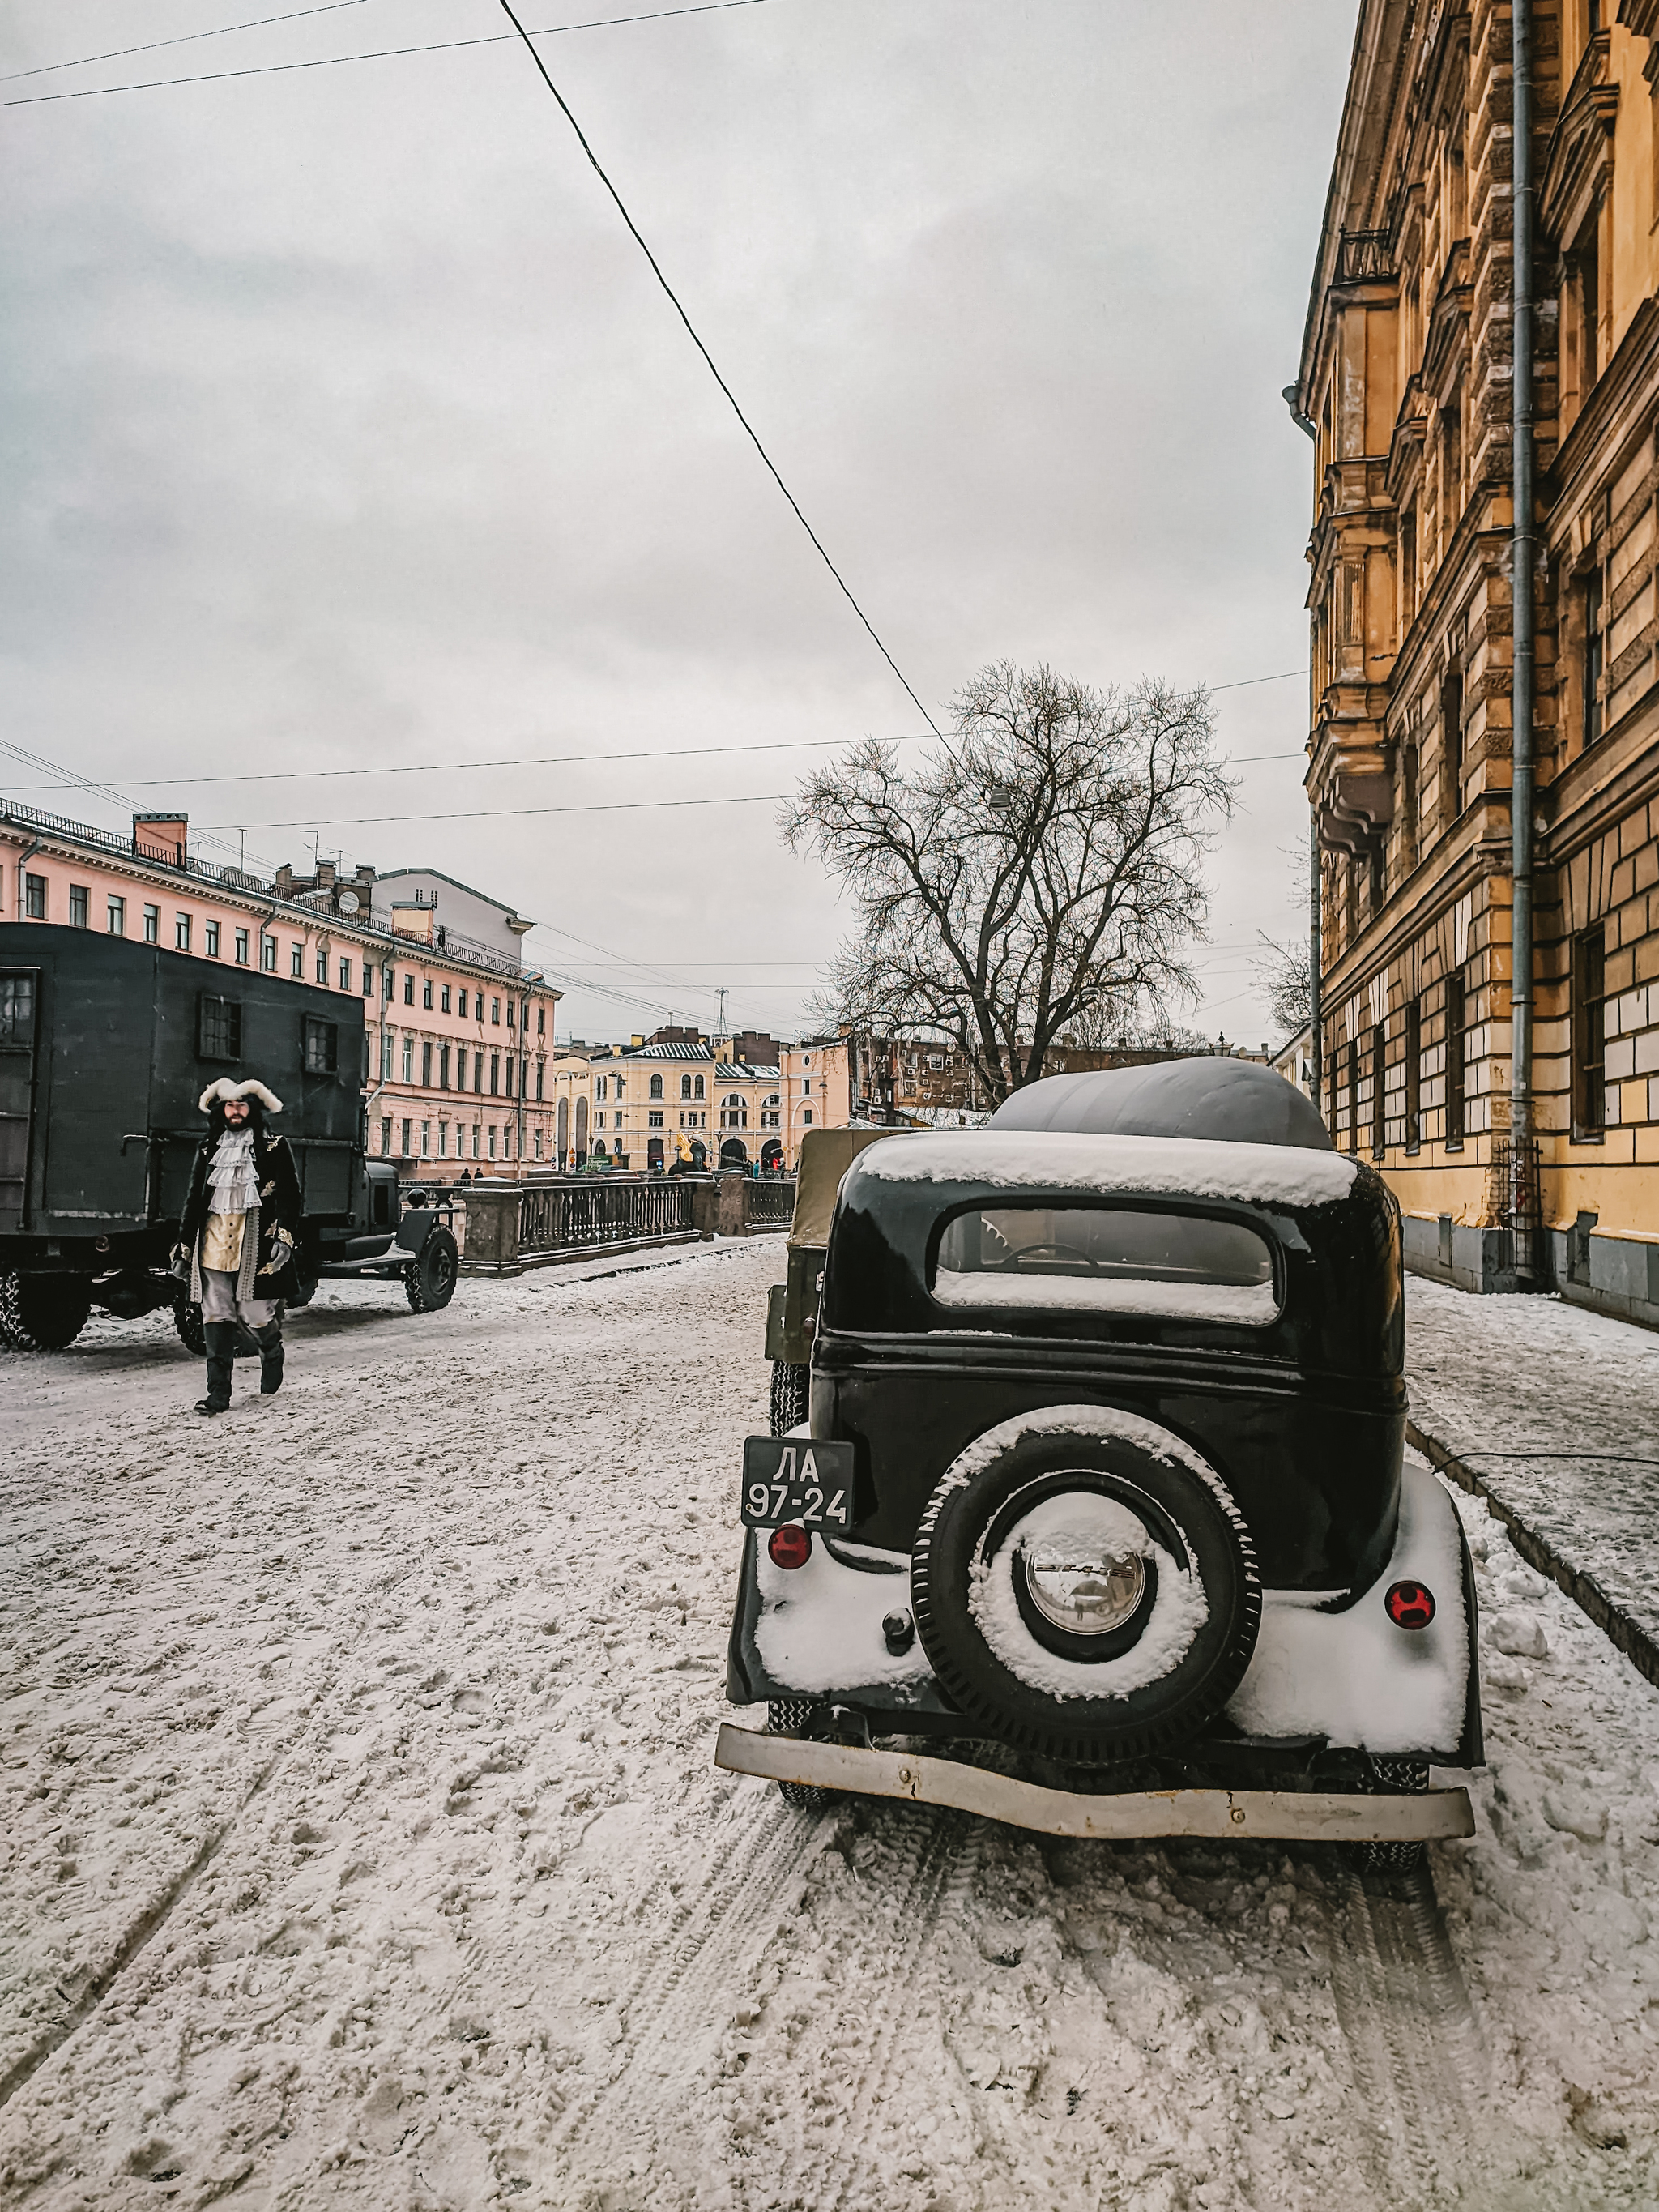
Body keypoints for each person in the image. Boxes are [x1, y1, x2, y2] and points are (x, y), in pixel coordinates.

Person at [175, 1078, 301, 1416]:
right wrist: (184, 1244)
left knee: (254, 1313)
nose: (235, 1111)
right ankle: (218, 1395)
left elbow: (290, 1196)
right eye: (230, 1105)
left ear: (253, 1109)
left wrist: (284, 1237)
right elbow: (193, 1198)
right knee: (216, 1315)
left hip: (255, 1242)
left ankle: (271, 1352)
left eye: (242, 1105)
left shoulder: (274, 1147)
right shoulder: (207, 1149)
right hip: (212, 1243)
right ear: (221, 1109)